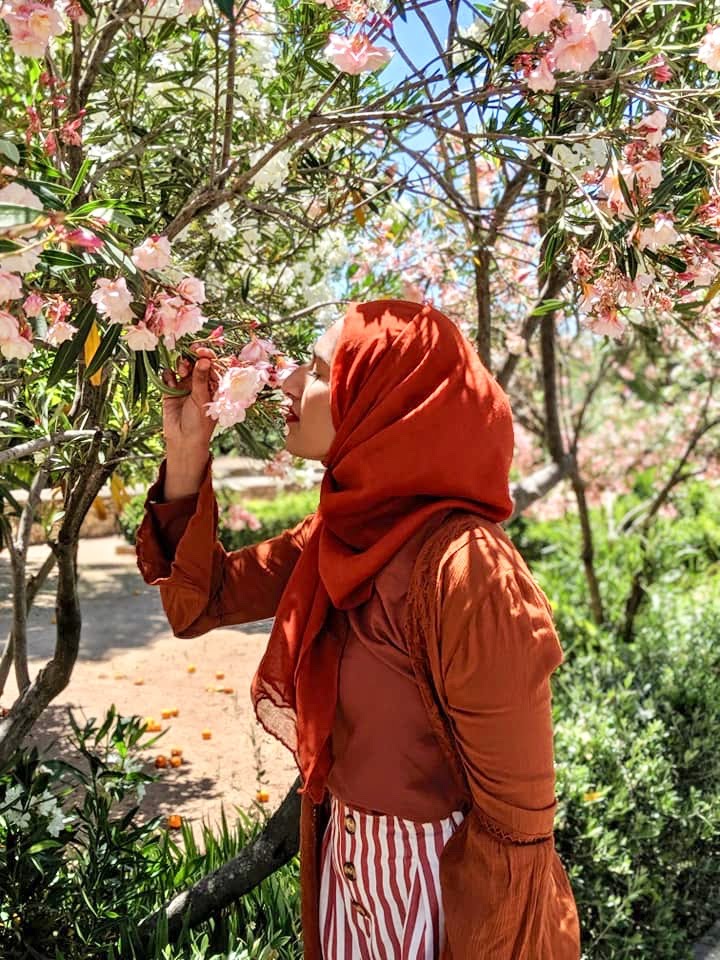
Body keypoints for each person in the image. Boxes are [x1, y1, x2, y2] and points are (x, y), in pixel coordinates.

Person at [135, 299, 581, 959]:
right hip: (344, 869)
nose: (286, 382)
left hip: (444, 895)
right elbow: (199, 604)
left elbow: (518, 829)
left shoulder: (467, 570)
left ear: (380, 400)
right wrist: (186, 453)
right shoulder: (339, 534)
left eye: (315, 371)